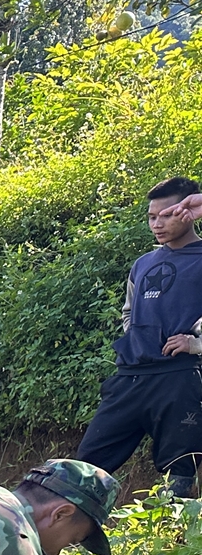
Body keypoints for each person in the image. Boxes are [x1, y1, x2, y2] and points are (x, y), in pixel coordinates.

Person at [76, 175, 202, 499]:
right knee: (83, 465)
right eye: (151, 216)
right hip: (130, 376)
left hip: (179, 377)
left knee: (180, 475)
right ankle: (69, 540)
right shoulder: (143, 263)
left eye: (165, 215)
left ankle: (176, 547)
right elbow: (128, 311)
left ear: (187, 212)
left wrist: (196, 344)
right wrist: (136, 338)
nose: (156, 223)